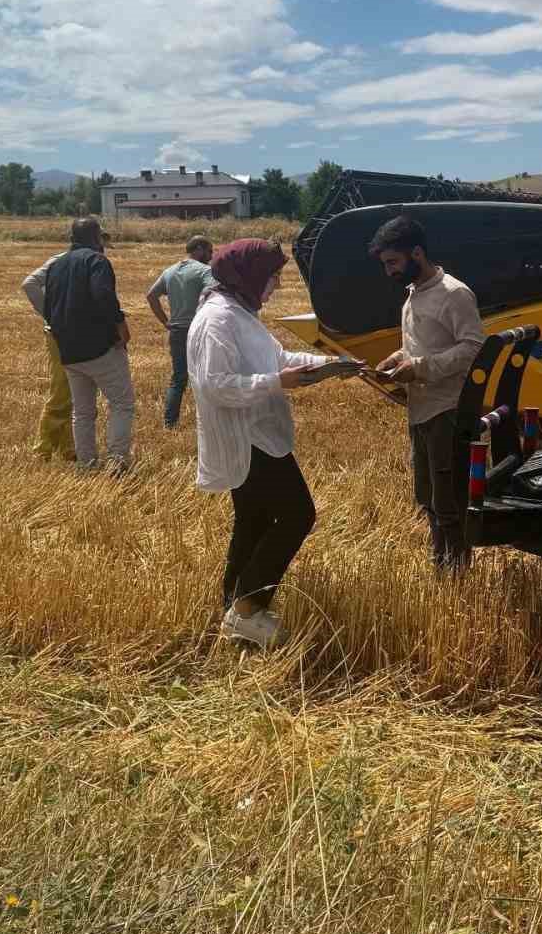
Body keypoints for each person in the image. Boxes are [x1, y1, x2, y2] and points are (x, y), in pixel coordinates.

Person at [187, 237, 361, 650]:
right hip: (248, 440)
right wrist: (276, 383)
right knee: (298, 515)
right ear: (247, 276)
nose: (277, 285)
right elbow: (215, 386)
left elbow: (278, 358)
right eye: (273, 276)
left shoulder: (240, 313)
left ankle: (235, 609)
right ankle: (247, 611)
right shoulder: (218, 320)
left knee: (254, 523)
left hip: (257, 435)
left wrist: (332, 366)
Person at [369, 215, 484, 572]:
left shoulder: (454, 293)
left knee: (448, 502)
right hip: (420, 410)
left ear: (417, 253)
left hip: (447, 410)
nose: (388, 271)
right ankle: (443, 567)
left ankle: (457, 575)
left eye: (393, 262)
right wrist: (395, 360)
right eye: (385, 264)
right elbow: (418, 346)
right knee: (427, 498)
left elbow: (473, 348)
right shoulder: (412, 295)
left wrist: (419, 368)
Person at [44, 217, 135, 473]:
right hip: (99, 347)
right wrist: (120, 327)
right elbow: (103, 296)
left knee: (82, 412)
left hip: (69, 350)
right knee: (122, 403)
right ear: (96, 237)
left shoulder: (56, 265)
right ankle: (117, 461)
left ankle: (86, 465)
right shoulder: (97, 261)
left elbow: (48, 308)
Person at [146, 235, 215, 428]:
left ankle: (169, 422)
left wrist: (165, 322)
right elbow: (213, 292)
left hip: (176, 331)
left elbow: (151, 296)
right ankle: (209, 421)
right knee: (206, 376)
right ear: (199, 248)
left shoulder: (169, 271)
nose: (211, 256)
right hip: (199, 330)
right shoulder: (205, 271)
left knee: (178, 379)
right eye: (209, 251)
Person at [21, 244, 74, 462]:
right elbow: (29, 284)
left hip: (67, 332)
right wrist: (51, 314)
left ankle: (68, 448)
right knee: (61, 390)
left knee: (72, 390)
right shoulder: (59, 260)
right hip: (60, 334)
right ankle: (42, 449)